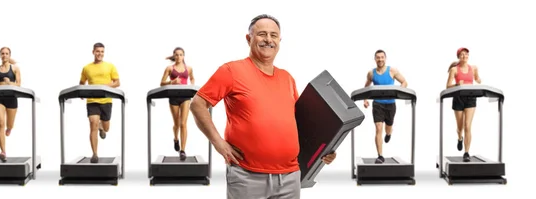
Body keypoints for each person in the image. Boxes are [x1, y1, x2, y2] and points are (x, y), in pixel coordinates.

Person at [190, 14, 337, 199]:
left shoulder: (287, 78)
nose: (268, 40)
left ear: (280, 40)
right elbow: (198, 104)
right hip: (247, 177)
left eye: (274, 35)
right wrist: (219, 143)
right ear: (248, 38)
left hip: (290, 177)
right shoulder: (231, 71)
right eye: (262, 34)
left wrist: (324, 150)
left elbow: (301, 125)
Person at [362, 50, 408, 164]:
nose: (380, 59)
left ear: (385, 58)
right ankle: (380, 156)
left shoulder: (392, 70)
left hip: (390, 104)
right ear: (375, 59)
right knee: (378, 128)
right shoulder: (371, 73)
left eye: (382, 57)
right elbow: (366, 86)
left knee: (388, 127)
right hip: (377, 104)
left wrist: (398, 94)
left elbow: (404, 82)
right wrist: (365, 99)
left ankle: (389, 134)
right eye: (378, 57)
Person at [79, 42, 120, 163]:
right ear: (93, 52)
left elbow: (117, 82)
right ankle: (95, 154)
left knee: (106, 128)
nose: (99, 54)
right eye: (97, 51)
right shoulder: (87, 68)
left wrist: (104, 86)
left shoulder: (110, 66)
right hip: (92, 101)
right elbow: (82, 82)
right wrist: (81, 92)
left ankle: (103, 127)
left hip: (106, 100)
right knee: (93, 124)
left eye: (102, 52)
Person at [159, 47, 196, 160]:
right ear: (174, 56)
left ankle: (183, 150)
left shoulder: (188, 68)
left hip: (185, 96)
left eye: (181, 55)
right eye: (176, 55)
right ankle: (176, 139)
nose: (179, 57)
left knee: (183, 124)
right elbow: (161, 83)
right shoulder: (169, 68)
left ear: (183, 56)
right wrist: (172, 82)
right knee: (177, 124)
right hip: (173, 97)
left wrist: (192, 85)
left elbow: (192, 78)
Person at [446, 47, 481, 162]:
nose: (464, 56)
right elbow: (447, 86)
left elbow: (477, 79)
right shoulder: (454, 70)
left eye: (466, 54)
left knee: (468, 126)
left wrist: (478, 79)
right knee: (460, 127)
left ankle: (466, 152)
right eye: (462, 55)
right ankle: (459, 138)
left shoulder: (474, 68)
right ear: (458, 57)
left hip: (471, 97)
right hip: (458, 98)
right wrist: (457, 84)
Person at [0, 47, 22, 161]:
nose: (4, 55)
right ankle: (3, 151)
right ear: (0, 55)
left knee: (9, 124)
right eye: (2, 53)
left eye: (6, 53)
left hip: (11, 98)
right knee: (0, 123)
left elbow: (19, 84)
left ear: (9, 55)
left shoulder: (15, 69)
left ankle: (9, 128)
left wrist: (10, 83)